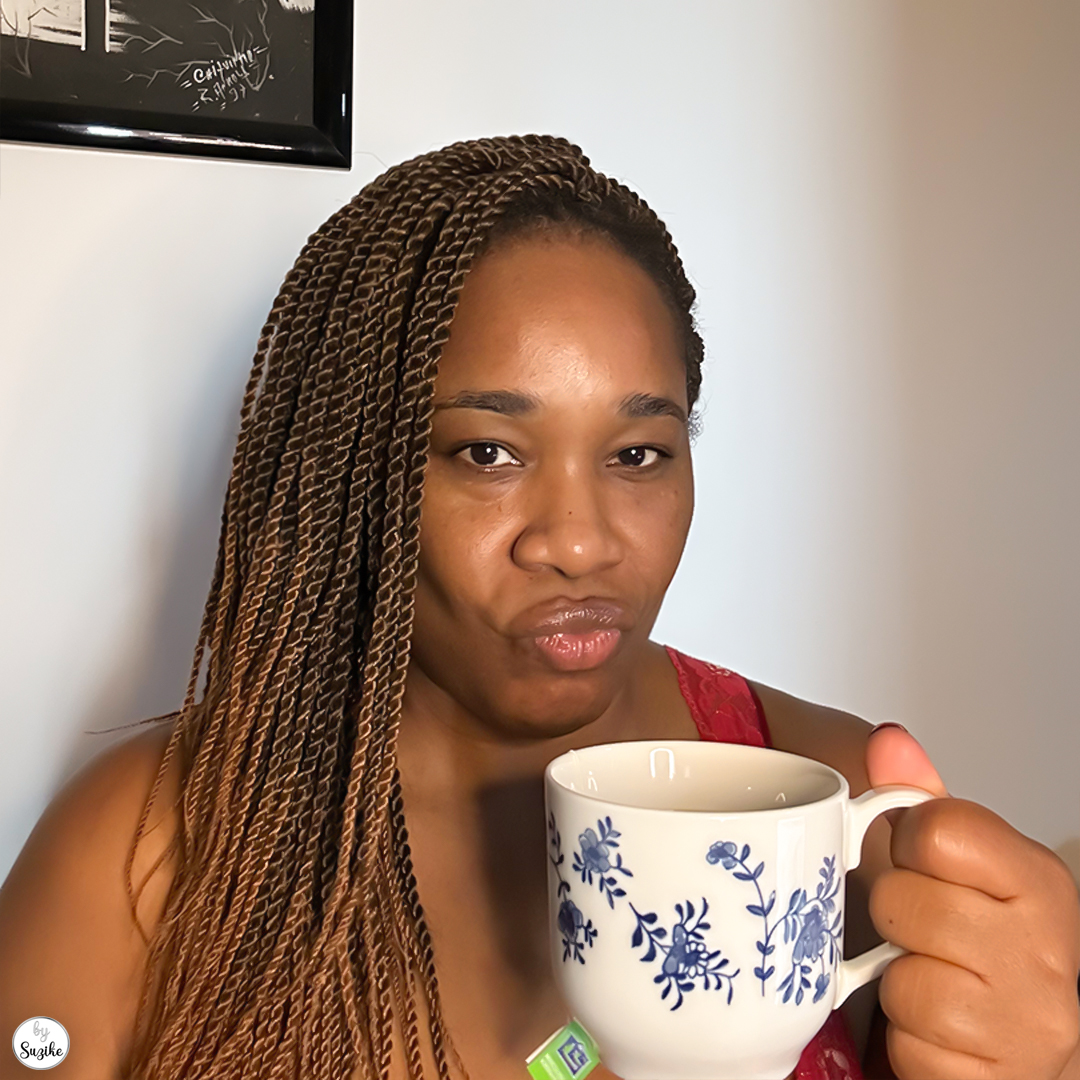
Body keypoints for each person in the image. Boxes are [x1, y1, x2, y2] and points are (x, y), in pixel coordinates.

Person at [0, 135, 1076, 1080]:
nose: (579, 541)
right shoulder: (146, 850)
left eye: (638, 453)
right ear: (350, 475)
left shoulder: (832, 801)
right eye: (489, 452)